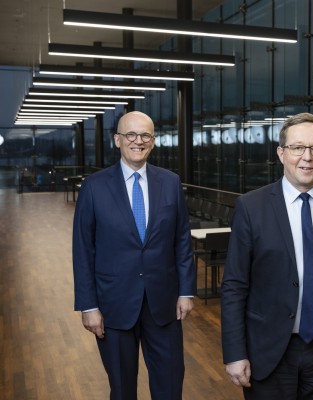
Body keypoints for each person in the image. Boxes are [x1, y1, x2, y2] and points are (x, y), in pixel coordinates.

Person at [221, 112, 313, 399]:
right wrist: (235, 353)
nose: (307, 157)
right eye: (298, 147)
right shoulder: (251, 207)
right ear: (281, 153)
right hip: (270, 349)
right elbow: (235, 285)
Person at [72, 111, 197, 400]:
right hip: (113, 305)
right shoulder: (94, 187)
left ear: (153, 142)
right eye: (130, 135)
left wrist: (187, 290)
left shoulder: (170, 182)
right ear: (117, 140)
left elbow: (181, 240)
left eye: (145, 136)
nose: (137, 141)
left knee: (170, 386)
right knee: (122, 388)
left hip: (164, 304)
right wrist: (88, 305)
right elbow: (83, 250)